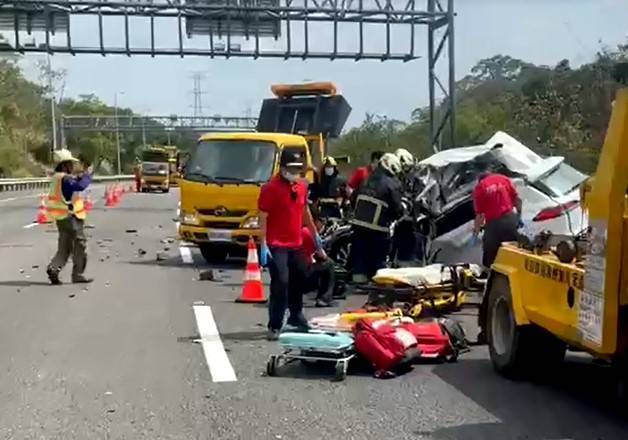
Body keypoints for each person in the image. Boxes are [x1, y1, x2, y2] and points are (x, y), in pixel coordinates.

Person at [258, 149, 327, 340]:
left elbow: (305, 212)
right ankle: (275, 324)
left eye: (298, 168)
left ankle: (296, 316)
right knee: (281, 282)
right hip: (276, 244)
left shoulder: (302, 186)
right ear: (282, 167)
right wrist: (263, 243)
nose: (295, 172)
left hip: (296, 243)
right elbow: (263, 217)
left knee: (299, 279)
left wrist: (315, 236)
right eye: (291, 168)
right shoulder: (270, 188)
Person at [350, 153, 404, 283]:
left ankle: (359, 278)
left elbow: (353, 198)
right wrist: (400, 213)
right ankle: (379, 281)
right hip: (377, 227)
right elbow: (397, 208)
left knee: (360, 255)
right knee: (379, 256)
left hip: (358, 224)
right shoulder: (391, 183)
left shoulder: (366, 179)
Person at [46, 149, 94, 285]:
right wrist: (88, 176)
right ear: (65, 165)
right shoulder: (65, 179)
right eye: (71, 164)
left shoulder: (57, 177)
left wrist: (80, 176)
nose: (73, 166)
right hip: (70, 217)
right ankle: (77, 274)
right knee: (80, 245)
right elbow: (79, 186)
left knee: (64, 247)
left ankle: (54, 268)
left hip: (60, 218)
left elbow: (70, 185)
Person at [472, 172, 522, 269]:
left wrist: (475, 232)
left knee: (490, 255)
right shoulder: (504, 179)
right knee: (512, 250)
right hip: (510, 220)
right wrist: (519, 216)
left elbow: (480, 216)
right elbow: (518, 200)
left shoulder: (480, 187)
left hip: (494, 225)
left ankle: (490, 277)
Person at [299, 212, 337, 307]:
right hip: (301, 279)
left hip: (287, 279)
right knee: (330, 264)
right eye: (322, 222)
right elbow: (323, 256)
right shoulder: (308, 233)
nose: (323, 225)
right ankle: (324, 299)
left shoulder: (294, 230)